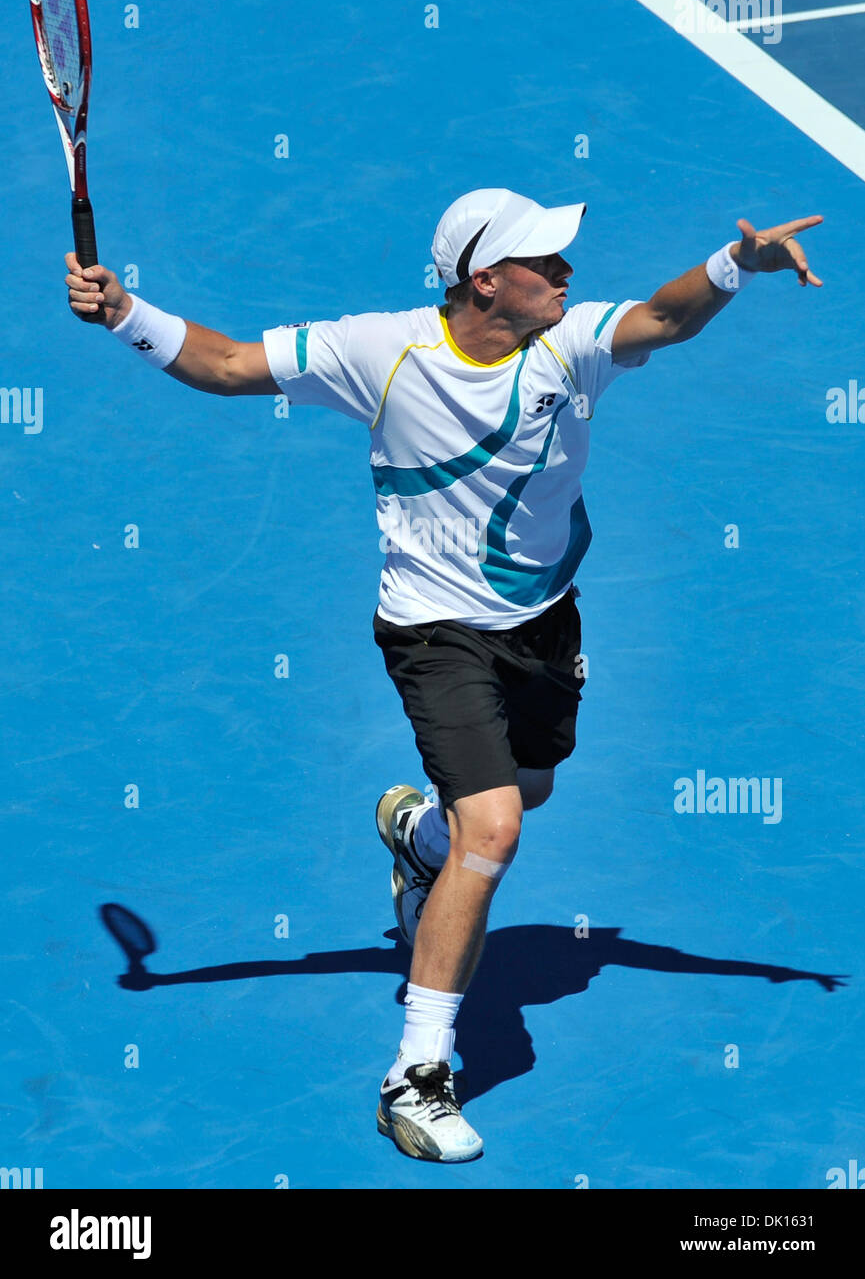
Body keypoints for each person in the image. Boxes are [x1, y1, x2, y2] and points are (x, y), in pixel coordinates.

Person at [64, 188, 822, 1163]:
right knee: (495, 827)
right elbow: (228, 362)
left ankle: (418, 836)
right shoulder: (379, 352)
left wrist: (735, 266)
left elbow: (666, 316)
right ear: (484, 280)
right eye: (545, 261)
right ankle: (415, 1074)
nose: (566, 274)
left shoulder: (573, 340)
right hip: (434, 630)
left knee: (529, 790)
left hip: (543, 620)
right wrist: (126, 313)